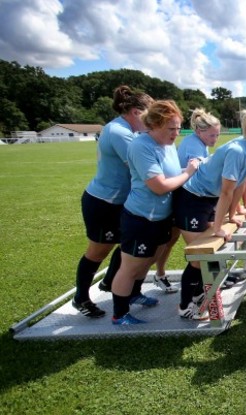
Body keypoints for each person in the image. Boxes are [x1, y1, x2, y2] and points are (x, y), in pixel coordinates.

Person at [174, 110, 246, 320]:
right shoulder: (237, 151)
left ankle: (197, 294)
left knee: (207, 255)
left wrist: (233, 216)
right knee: (199, 257)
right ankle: (185, 306)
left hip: (208, 198)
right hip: (191, 198)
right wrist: (220, 226)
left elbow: (239, 185)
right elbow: (226, 191)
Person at [110, 100, 199, 325]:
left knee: (147, 261)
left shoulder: (167, 145)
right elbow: (159, 186)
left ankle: (134, 294)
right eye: (172, 128)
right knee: (130, 267)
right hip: (141, 218)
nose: (176, 133)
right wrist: (188, 173)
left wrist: (192, 170)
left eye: (178, 128)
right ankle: (119, 314)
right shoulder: (142, 146)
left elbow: (169, 174)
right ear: (155, 125)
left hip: (160, 217)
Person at [72, 85, 153, 318]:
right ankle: (81, 298)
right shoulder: (119, 132)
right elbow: (142, 168)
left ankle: (113, 284)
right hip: (103, 202)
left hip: (121, 202)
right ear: (137, 113)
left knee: (129, 246)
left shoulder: (129, 130)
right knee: (97, 251)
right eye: (150, 115)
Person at [153, 108, 222, 293]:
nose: (215, 139)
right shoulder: (193, 145)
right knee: (192, 248)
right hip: (183, 197)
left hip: (184, 195)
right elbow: (193, 174)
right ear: (199, 132)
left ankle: (161, 275)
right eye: (212, 135)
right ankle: (165, 278)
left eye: (217, 135)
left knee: (172, 239)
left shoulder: (199, 142)